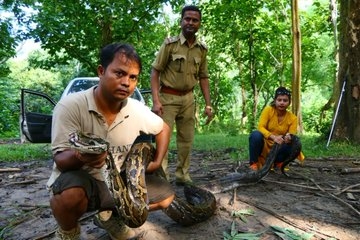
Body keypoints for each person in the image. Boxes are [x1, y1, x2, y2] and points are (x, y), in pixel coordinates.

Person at [47, 43, 174, 240]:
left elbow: (163, 128)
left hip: (120, 181)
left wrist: (157, 161)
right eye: (119, 73)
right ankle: (68, 232)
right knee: (68, 196)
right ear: (101, 71)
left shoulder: (136, 108)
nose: (126, 82)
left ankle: (109, 217)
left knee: (167, 197)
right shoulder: (70, 106)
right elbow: (60, 160)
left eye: (133, 77)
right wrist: (83, 157)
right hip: (85, 182)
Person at [150, 5, 213, 185]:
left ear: (199, 23)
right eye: (187, 19)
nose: (190, 23)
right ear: (181, 21)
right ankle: (161, 177)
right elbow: (155, 72)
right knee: (162, 139)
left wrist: (208, 105)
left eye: (195, 20)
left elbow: (203, 77)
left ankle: (182, 175)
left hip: (188, 99)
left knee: (186, 139)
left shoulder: (201, 49)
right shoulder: (169, 45)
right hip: (167, 99)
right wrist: (156, 101)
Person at [248, 86, 305, 171]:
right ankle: (253, 164)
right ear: (275, 101)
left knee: (294, 142)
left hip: (280, 145)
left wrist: (288, 138)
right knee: (255, 135)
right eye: (279, 100)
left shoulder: (293, 118)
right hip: (266, 143)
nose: (282, 103)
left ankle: (279, 163)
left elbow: (291, 134)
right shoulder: (268, 110)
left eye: (285, 100)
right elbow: (261, 127)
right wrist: (273, 137)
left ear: (289, 102)